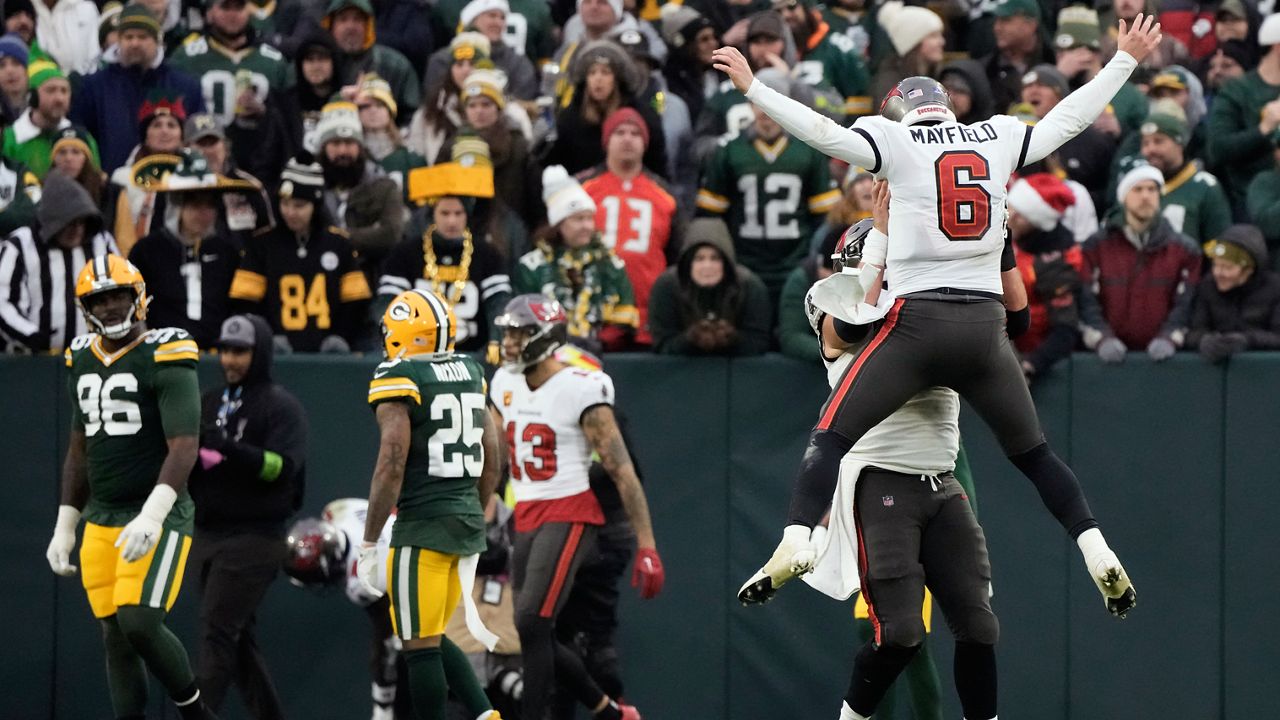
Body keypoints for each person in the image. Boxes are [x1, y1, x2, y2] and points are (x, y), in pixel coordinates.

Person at [710, 16, 1157, 719]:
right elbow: (1068, 121)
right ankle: (1094, 544)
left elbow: (825, 134)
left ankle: (796, 537)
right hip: (979, 328)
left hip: (917, 325)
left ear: (897, 114)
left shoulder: (888, 153)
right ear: (949, 107)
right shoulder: (996, 134)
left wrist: (756, 91)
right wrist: (1123, 62)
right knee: (1037, 456)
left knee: (826, 434)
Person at [46, 254, 218, 719]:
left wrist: (153, 514)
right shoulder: (81, 356)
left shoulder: (168, 350)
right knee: (115, 637)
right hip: (101, 515)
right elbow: (79, 448)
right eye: (99, 300)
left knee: (139, 622)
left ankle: (197, 713)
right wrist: (66, 523)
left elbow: (184, 445)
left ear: (139, 296)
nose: (109, 307)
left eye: (118, 295)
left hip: (158, 513)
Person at [488, 293, 664, 720]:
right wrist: (478, 509)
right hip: (526, 513)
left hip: (569, 511)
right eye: (507, 332)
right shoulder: (503, 382)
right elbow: (492, 458)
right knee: (535, 630)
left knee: (532, 623)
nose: (508, 342)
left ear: (545, 337)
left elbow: (623, 471)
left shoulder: (580, 389)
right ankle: (607, 711)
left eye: (519, 333)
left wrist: (647, 545)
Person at [355, 288, 503, 720]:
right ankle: (486, 716)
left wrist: (368, 542)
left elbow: (392, 463)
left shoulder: (398, 374)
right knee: (431, 636)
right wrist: (473, 509)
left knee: (418, 649)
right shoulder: (471, 369)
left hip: (422, 524)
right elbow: (493, 458)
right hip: (464, 520)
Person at [188, 314, 306, 717]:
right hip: (208, 533)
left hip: (255, 538)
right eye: (225, 350)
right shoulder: (208, 401)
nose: (230, 360)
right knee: (236, 642)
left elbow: (282, 468)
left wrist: (231, 452)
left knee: (217, 633)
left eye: (240, 351)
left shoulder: (280, 406)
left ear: (260, 354)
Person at [696, 68, 840, 305]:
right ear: (750, 106)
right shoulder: (729, 151)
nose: (765, 112)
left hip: (796, 264)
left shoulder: (807, 151)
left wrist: (810, 261)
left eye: (772, 103)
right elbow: (711, 217)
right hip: (744, 265)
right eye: (758, 103)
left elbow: (825, 218)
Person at [228, 154, 372, 352]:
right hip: (276, 355)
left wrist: (339, 337)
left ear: (316, 205)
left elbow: (356, 303)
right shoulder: (262, 244)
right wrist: (266, 336)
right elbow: (245, 302)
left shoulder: (339, 245)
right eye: (285, 203)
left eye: (299, 205)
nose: (290, 212)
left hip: (327, 356)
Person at [1079, 165, 1202, 364]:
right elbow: (1086, 300)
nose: (1145, 196)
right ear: (1124, 197)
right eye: (1137, 189)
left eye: (1152, 189)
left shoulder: (1185, 250)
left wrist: (1169, 336)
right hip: (1106, 361)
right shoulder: (1096, 246)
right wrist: (1101, 338)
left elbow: (1186, 304)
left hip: (1165, 361)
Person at [128, 150, 250, 348]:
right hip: (162, 352)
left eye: (210, 206)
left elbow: (236, 307)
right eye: (195, 205)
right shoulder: (147, 251)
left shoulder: (227, 252)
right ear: (177, 206)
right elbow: (134, 308)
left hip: (216, 353)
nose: (204, 213)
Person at [580, 107, 679, 347]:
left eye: (635, 133)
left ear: (645, 143)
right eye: (620, 132)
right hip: (593, 312)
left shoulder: (664, 194)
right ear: (607, 141)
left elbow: (676, 254)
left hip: (647, 312)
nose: (627, 139)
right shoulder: (583, 190)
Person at [514, 165, 639, 352]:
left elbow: (624, 319)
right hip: (548, 358)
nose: (587, 226)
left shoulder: (611, 265)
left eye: (589, 218)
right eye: (578, 219)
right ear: (559, 224)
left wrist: (597, 344)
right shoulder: (532, 267)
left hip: (602, 357)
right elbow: (524, 319)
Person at [69, 2, 205, 174]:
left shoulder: (184, 86)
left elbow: (197, 136)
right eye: (128, 37)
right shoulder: (94, 87)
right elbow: (82, 138)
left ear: (157, 40)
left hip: (174, 182)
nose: (135, 43)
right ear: (119, 41)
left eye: (142, 37)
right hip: (113, 185)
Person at [0, 172, 117, 353]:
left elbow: (121, 290)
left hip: (94, 356)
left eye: (82, 222)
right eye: (69, 223)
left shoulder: (102, 242)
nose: (77, 230)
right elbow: (3, 302)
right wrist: (31, 336)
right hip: (33, 360)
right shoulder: (19, 246)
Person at [647, 217, 771, 356]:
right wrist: (690, 339)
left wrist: (733, 340)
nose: (707, 266)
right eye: (699, 258)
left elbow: (759, 343)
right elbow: (661, 344)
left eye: (715, 258)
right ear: (688, 263)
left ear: (726, 261)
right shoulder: (667, 286)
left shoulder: (749, 286)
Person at [315, 100, 405, 283]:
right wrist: (366, 234)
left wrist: (339, 236)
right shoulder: (311, 184)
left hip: (371, 274)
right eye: (335, 143)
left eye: (349, 143)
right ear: (323, 148)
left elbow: (390, 234)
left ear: (360, 146)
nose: (343, 151)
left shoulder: (383, 185)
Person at [1006, 173, 1085, 380]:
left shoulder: (1058, 263)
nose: (1011, 217)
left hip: (1029, 355)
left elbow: (1065, 329)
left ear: (1038, 222)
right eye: (1011, 208)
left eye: (1021, 215)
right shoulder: (1014, 241)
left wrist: (1031, 364)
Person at [1207, 15, 1280, 213]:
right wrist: (1264, 129)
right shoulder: (1238, 90)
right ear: (1277, 46)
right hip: (1250, 203)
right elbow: (1218, 149)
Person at [1187, 224, 1280, 362]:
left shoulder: (1275, 288)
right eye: (1216, 265)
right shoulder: (1207, 286)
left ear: (1249, 270)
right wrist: (1204, 341)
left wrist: (1247, 340)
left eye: (1227, 268)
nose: (1218, 273)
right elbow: (1192, 330)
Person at [320, 0, 420, 122]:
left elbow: (412, 115)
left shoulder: (395, 65)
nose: (350, 27)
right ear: (330, 25)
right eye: (343, 19)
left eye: (357, 19)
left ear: (369, 25)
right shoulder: (314, 62)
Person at [1, 59, 100, 179]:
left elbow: (94, 184)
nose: (59, 98)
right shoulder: (9, 140)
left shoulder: (83, 139)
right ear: (32, 97)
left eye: (64, 91)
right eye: (51, 90)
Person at [777, 0, 871, 118]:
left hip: (834, 128)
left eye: (792, 7)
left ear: (807, 7)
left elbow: (863, 100)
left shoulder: (839, 48)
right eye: (778, 11)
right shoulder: (770, 51)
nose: (785, 15)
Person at [31, 0, 102, 75]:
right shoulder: (27, 12)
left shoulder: (86, 8)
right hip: (42, 81)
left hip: (87, 80)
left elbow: (96, 54)